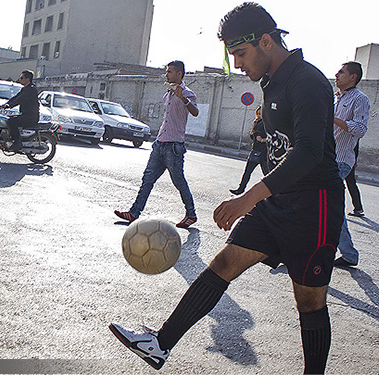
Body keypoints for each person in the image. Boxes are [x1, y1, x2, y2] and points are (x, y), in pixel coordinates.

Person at [109, 3, 344, 374]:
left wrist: (248, 196)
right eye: (232, 54)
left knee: (310, 303)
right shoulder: (271, 82)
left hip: (314, 207)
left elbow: (310, 152)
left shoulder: (307, 81)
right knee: (224, 262)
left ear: (266, 41)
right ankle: (160, 344)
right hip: (277, 202)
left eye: (240, 53)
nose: (237, 64)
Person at [114, 60, 199, 228]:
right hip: (160, 144)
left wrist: (184, 99)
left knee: (179, 181)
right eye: (166, 71)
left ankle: (191, 214)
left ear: (179, 74)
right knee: (147, 179)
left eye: (169, 72)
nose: (166, 74)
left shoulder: (188, 93)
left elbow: (195, 112)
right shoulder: (167, 93)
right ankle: (133, 213)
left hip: (174, 146)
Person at [332, 61, 369, 268]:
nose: (336, 75)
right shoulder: (335, 98)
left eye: (341, 72)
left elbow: (360, 128)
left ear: (352, 77)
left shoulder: (359, 99)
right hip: (324, 159)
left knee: (331, 207)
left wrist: (334, 119)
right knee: (325, 205)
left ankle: (349, 253)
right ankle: (348, 254)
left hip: (340, 161)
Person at [230, 105, 269, 195]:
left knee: (267, 174)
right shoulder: (258, 123)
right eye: (257, 113)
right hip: (255, 151)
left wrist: (263, 140)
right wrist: (253, 126)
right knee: (247, 171)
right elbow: (252, 137)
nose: (259, 115)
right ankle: (240, 189)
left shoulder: (267, 124)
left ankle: (272, 192)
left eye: (261, 113)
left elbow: (272, 137)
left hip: (263, 153)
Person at [1, 70, 39, 151]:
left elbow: (21, 99)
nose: (20, 79)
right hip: (25, 114)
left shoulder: (32, 90)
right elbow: (16, 97)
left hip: (31, 117)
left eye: (22, 78)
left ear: (27, 79)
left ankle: (17, 142)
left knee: (12, 121)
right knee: (8, 118)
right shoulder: (25, 89)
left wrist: (10, 105)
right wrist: (5, 104)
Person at [345, 141, 365, 217]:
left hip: (345, 160)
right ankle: (358, 208)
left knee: (349, 183)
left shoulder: (350, 130)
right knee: (351, 183)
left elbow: (355, 147)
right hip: (350, 160)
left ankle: (358, 208)